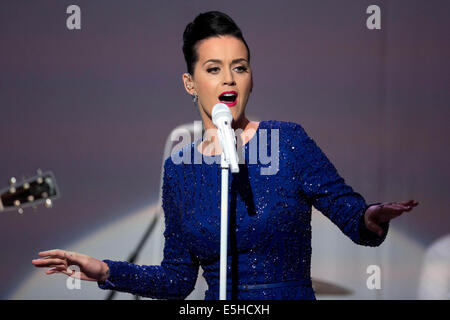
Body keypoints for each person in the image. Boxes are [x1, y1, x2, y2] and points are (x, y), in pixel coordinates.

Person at [32, 11, 419, 300]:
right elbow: (176, 279)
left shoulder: (287, 141)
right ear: (190, 83)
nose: (229, 79)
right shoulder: (180, 169)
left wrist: (370, 216)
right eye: (214, 69)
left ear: (251, 77)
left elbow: (353, 217)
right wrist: (104, 270)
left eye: (240, 67)